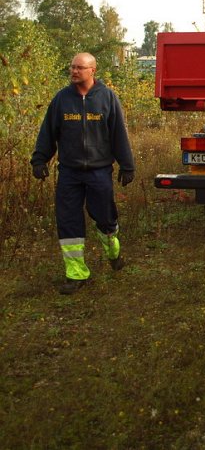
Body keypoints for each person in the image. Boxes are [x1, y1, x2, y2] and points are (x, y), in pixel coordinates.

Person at [31, 52, 135, 295]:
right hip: (69, 173)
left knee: (105, 218)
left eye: (79, 68)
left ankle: (113, 252)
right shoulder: (61, 100)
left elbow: (119, 133)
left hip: (99, 172)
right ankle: (76, 273)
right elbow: (48, 131)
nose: (74, 71)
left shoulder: (107, 98)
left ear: (92, 71)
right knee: (68, 221)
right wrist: (39, 159)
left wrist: (127, 165)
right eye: (72, 67)